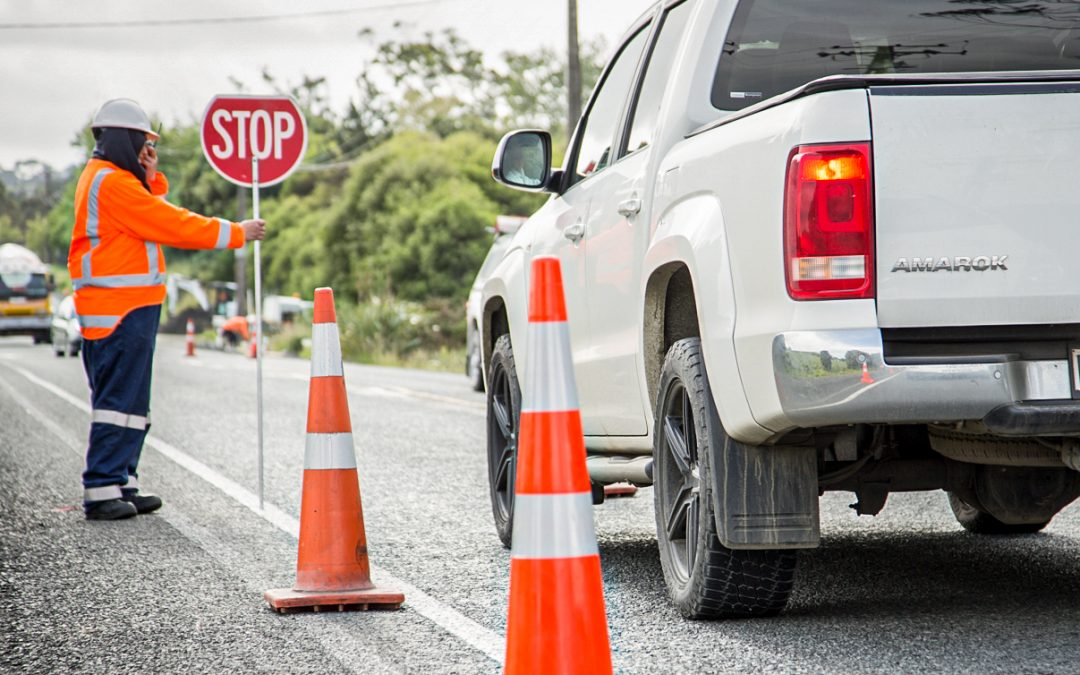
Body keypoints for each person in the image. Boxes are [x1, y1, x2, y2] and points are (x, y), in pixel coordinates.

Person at [68, 98, 266, 520]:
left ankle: (122, 481)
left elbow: (148, 211)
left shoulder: (112, 179)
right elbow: (169, 222)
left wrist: (151, 176)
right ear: (125, 139)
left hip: (129, 307)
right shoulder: (110, 183)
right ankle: (102, 488)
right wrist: (236, 232)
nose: (145, 150)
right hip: (118, 311)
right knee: (117, 402)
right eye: (142, 143)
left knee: (133, 402)